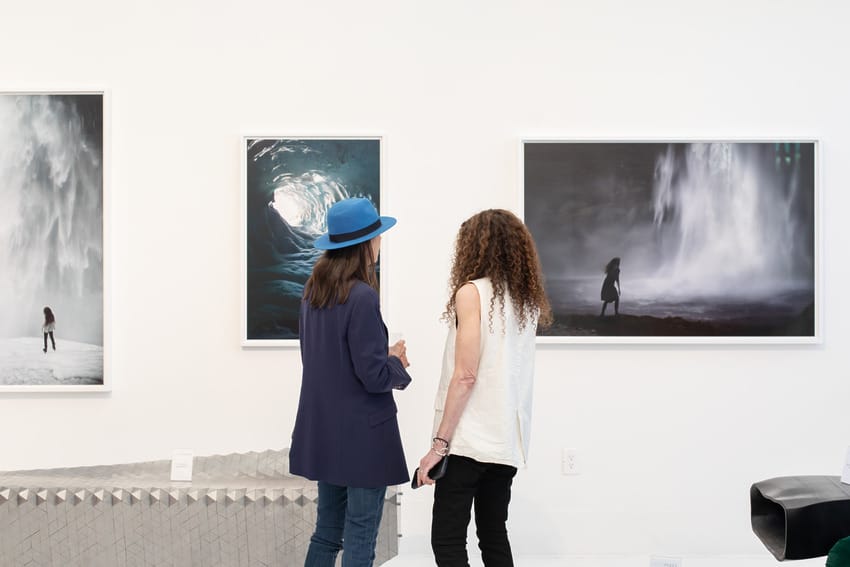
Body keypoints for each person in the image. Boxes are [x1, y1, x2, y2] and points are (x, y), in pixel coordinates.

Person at [416, 209, 552, 567]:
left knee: (447, 539)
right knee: (493, 534)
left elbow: (466, 375)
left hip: (467, 440)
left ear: (474, 248)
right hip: (506, 439)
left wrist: (438, 446)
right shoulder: (525, 301)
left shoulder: (472, 293)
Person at [289, 197, 412, 567]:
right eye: (377, 237)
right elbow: (374, 378)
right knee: (360, 535)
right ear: (364, 245)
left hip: (325, 432)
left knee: (326, 533)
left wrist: (380, 354)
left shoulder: (313, 293)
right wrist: (396, 362)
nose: (379, 244)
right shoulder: (362, 296)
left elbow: (324, 360)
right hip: (363, 439)